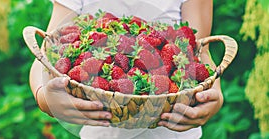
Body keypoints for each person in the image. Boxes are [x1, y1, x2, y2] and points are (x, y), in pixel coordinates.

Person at [29, 0, 223, 138]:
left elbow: (199, 51)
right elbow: (48, 50)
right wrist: (44, 97)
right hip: (103, 130)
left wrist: (215, 94)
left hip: (175, 131)